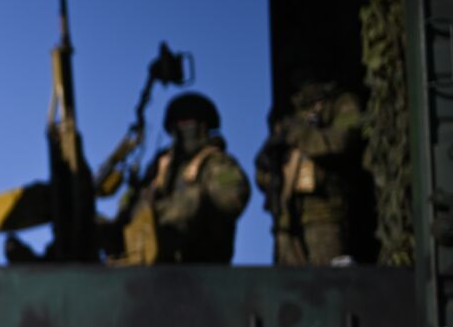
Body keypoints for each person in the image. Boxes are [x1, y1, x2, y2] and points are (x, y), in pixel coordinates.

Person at [103, 92, 251, 265]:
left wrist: (175, 209)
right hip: (147, 272)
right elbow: (126, 214)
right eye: (176, 123)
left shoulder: (214, 164)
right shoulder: (159, 169)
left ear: (203, 126)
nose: (180, 128)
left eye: (186, 122)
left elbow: (232, 199)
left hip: (199, 272)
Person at [254, 77, 365, 265]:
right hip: (286, 214)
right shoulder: (288, 113)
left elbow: (342, 141)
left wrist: (302, 136)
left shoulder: (341, 102)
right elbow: (263, 167)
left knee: (326, 277)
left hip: (325, 208)